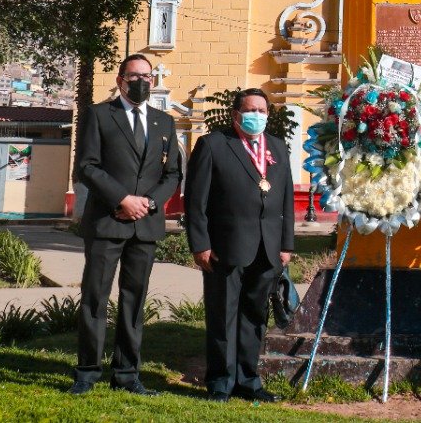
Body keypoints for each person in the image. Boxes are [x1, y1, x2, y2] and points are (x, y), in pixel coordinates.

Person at [70, 54, 182, 396]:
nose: (143, 82)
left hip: (144, 225)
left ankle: (127, 373)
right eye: (136, 76)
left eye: (148, 77)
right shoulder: (100, 115)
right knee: (95, 298)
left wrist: (147, 202)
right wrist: (122, 199)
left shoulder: (164, 122)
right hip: (107, 221)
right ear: (121, 80)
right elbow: (87, 166)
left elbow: (173, 173)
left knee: (135, 300)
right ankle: (87, 372)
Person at [185, 88, 295, 403]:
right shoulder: (214, 145)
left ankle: (248, 380)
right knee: (222, 315)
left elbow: (285, 197)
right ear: (236, 115)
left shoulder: (277, 147)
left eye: (263, 111)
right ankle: (221, 381)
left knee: (254, 316)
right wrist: (200, 244)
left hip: (268, 247)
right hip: (224, 246)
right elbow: (195, 201)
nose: (257, 116)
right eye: (251, 110)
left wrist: (286, 243)